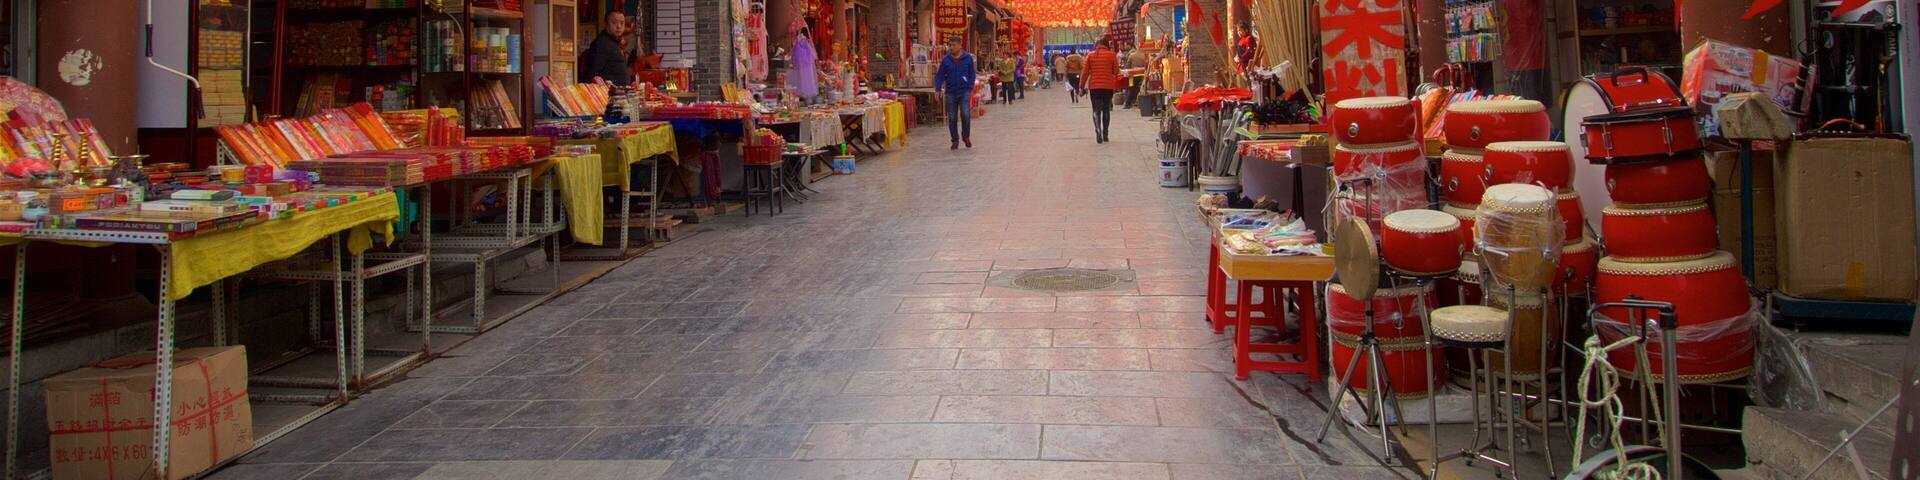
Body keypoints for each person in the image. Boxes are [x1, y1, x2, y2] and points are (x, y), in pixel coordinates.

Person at [933, 38, 977, 150]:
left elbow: (972, 74)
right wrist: (937, 89)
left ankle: (966, 136)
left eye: (953, 45)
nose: (951, 47)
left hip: (964, 91)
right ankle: (955, 140)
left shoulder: (968, 58)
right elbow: (940, 75)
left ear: (960, 45)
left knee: (965, 114)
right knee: (952, 117)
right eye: (950, 45)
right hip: (951, 92)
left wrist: (970, 86)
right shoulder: (946, 60)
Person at [1083, 39, 1121, 143]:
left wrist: (1081, 86)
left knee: (1096, 110)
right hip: (1108, 86)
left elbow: (1085, 73)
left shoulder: (1090, 55)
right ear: (1106, 45)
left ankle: (1098, 131)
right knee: (1106, 110)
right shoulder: (1112, 55)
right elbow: (1116, 71)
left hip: (1094, 87)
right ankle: (1105, 134)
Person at [579, 12, 634, 85]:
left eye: (622, 23)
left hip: (618, 93)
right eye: (614, 23)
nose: (619, 26)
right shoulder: (601, 43)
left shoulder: (614, 43)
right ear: (606, 24)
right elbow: (594, 73)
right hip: (608, 93)